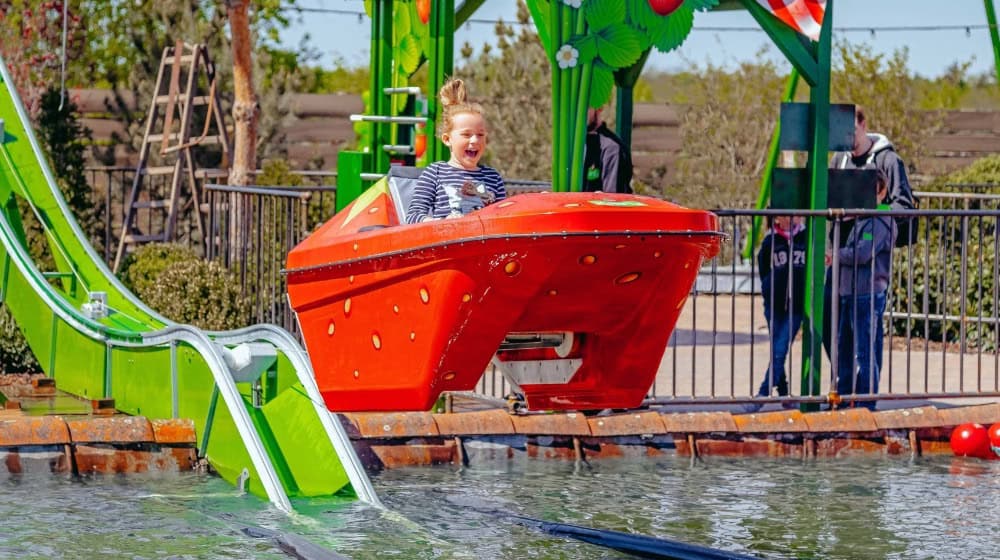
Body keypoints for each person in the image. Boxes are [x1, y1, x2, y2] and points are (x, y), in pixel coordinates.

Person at [828, 170, 897, 410]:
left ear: (882, 192)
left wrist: (834, 255)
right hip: (850, 292)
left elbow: (863, 253)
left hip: (866, 293)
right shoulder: (862, 217)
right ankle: (845, 398)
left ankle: (866, 404)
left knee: (864, 353)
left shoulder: (879, 220)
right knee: (845, 350)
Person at [405, 78, 506, 224]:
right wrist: (440, 223)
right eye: (466, 134)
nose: (474, 140)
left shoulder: (493, 177)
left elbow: (504, 217)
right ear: (447, 139)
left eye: (480, 135)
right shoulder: (435, 172)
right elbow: (414, 215)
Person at [744, 215, 807, 413]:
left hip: (796, 306)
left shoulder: (806, 237)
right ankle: (784, 393)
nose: (793, 218)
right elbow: (763, 268)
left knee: (779, 350)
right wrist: (768, 289)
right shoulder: (770, 241)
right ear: (777, 218)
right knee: (777, 351)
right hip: (774, 305)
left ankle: (762, 395)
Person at [583, 107, 633, 193]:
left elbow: (612, 200)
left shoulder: (612, 149)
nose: (578, 111)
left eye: (585, 106)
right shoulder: (570, 146)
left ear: (599, 107)